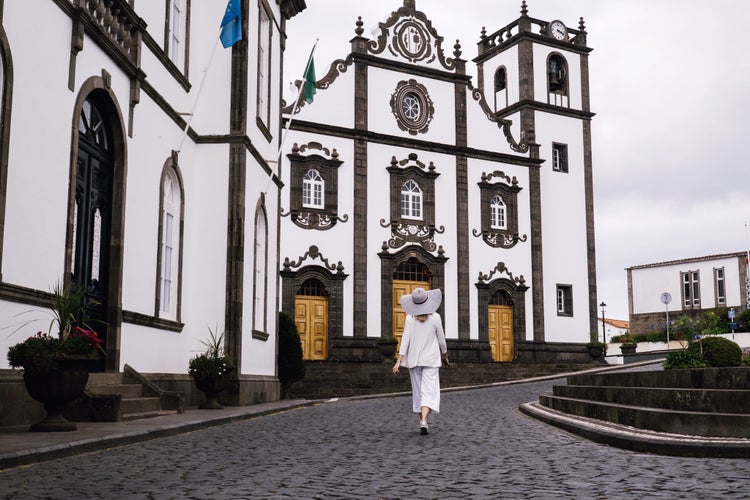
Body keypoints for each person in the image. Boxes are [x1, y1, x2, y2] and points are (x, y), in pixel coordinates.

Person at [392, 287, 449, 435]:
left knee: (418, 393)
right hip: (431, 359)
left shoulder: (409, 318)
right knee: (428, 392)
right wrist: (445, 354)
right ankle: (424, 420)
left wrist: (399, 361)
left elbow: (405, 340)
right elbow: (441, 339)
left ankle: (423, 421)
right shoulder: (435, 317)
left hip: (414, 361)